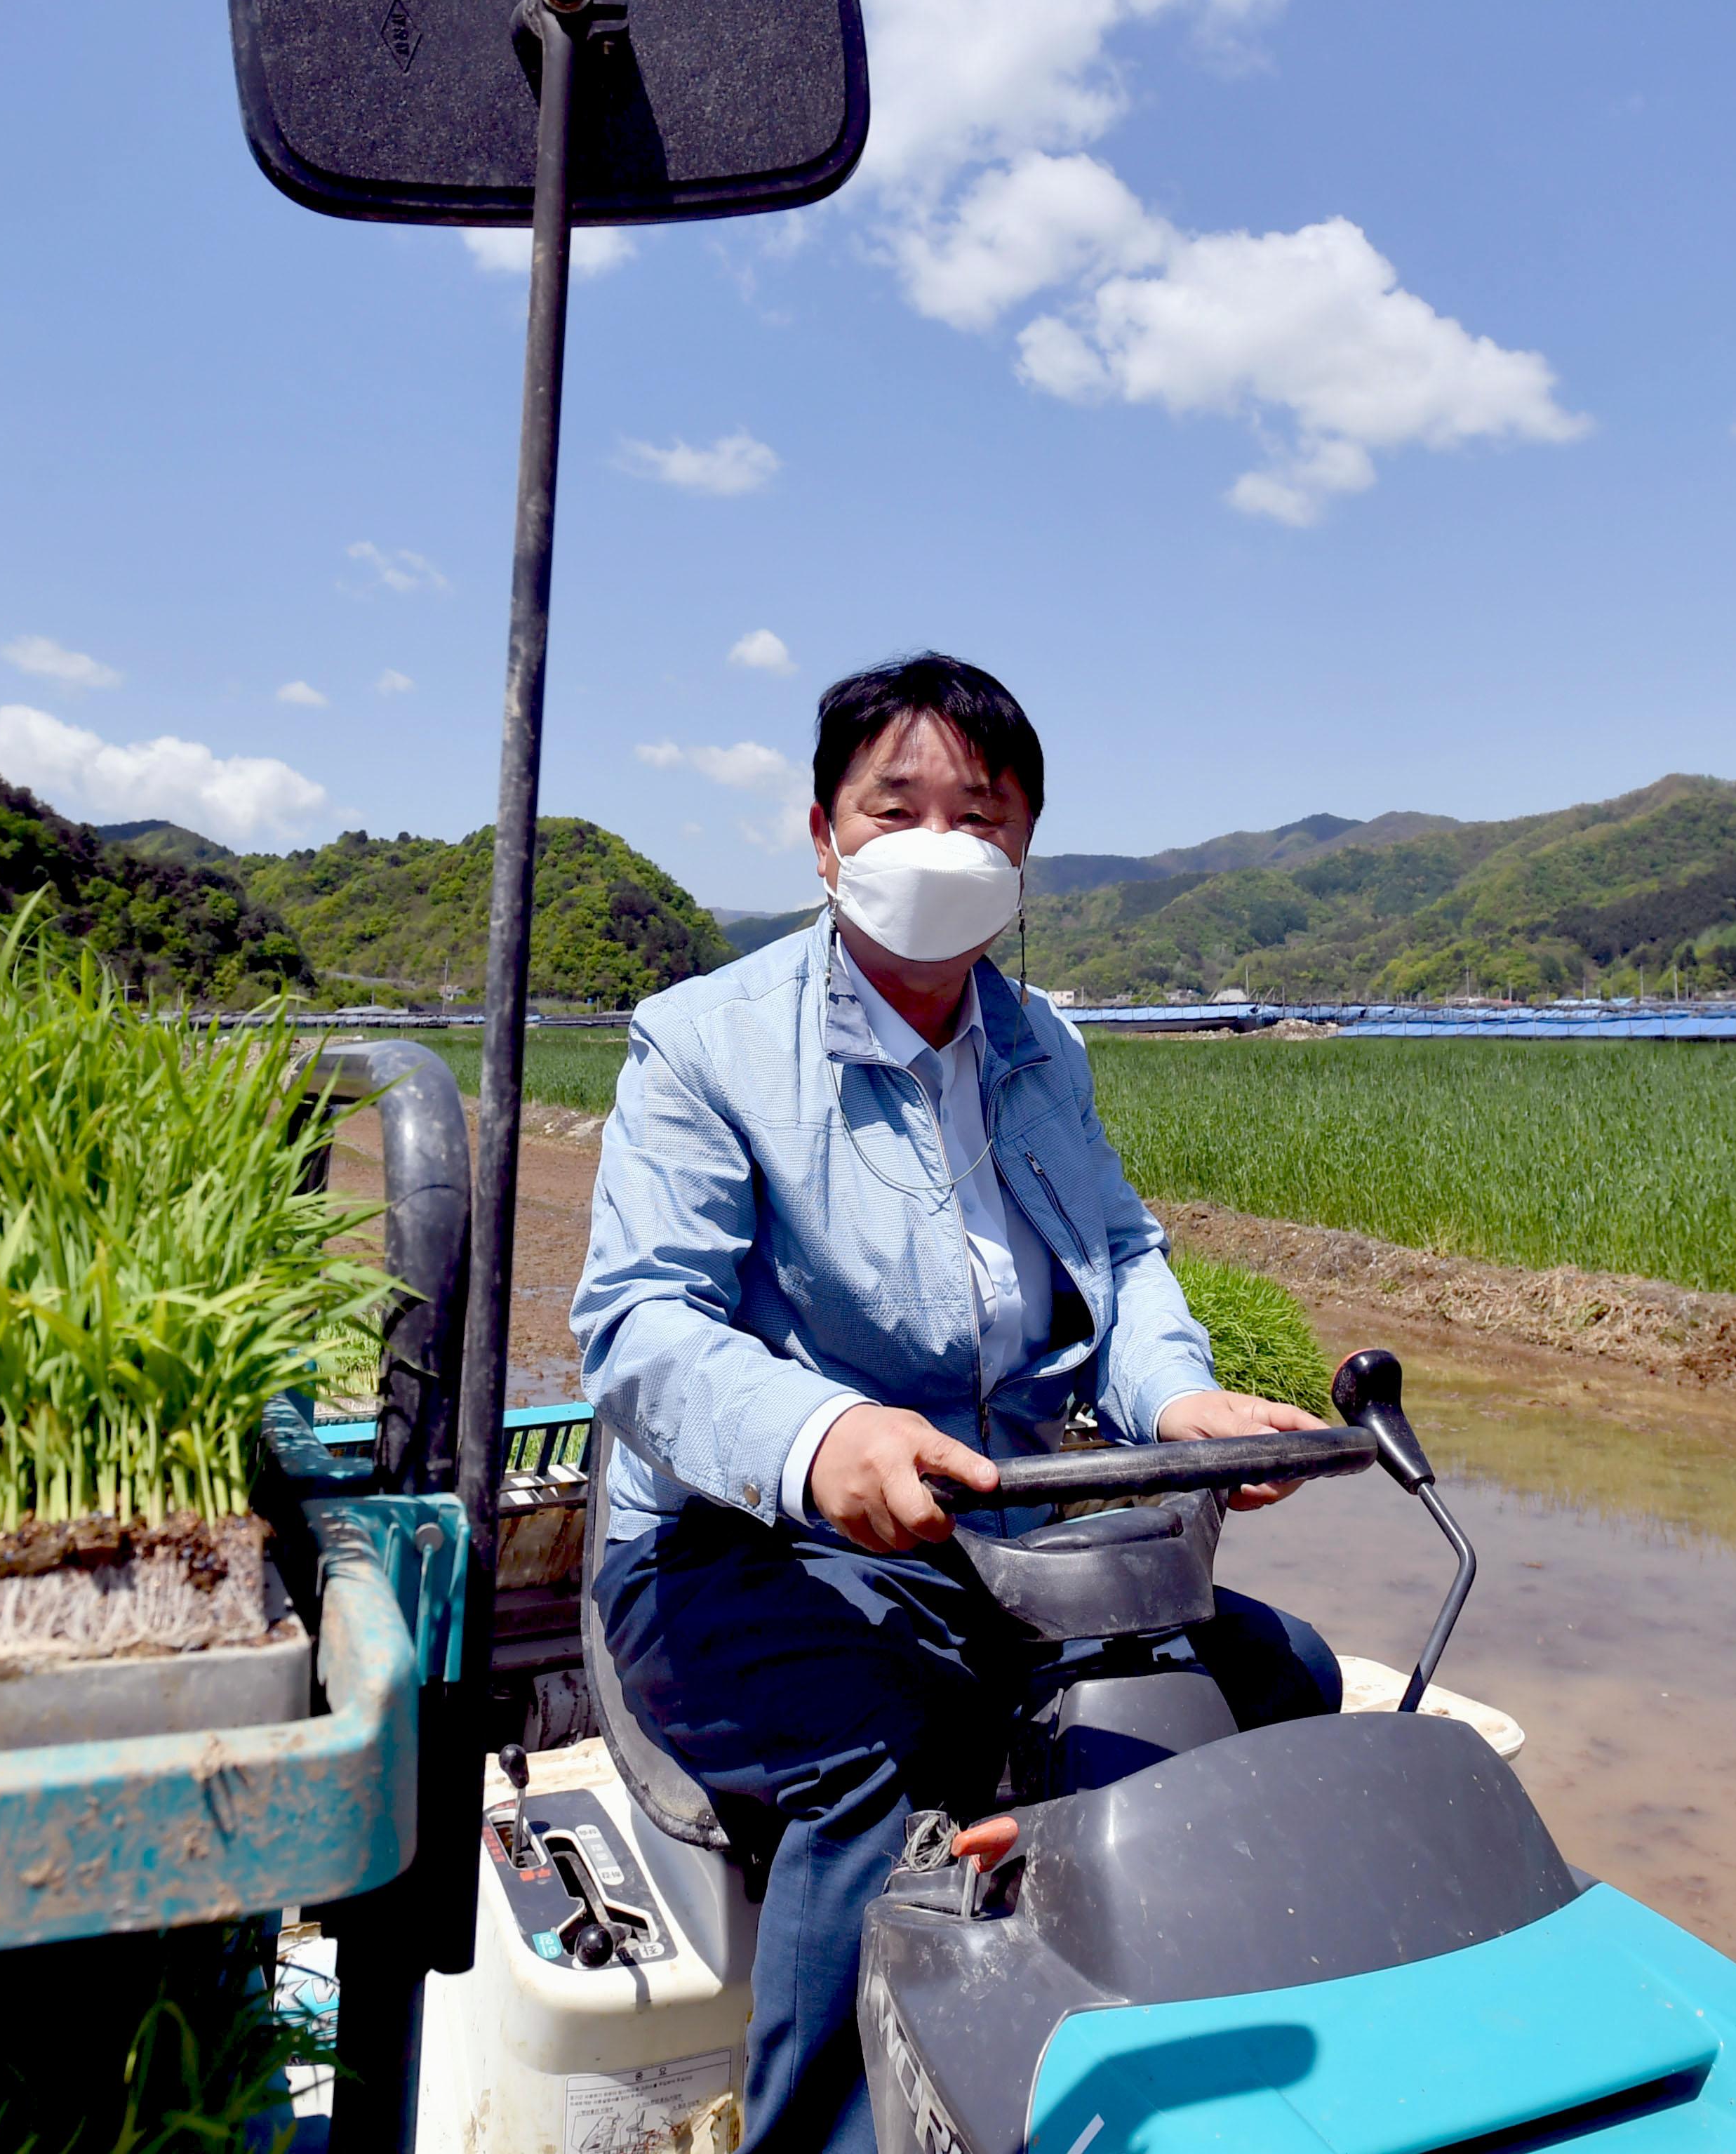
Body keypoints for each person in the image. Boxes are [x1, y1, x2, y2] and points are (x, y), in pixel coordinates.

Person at [574, 652, 1339, 2154]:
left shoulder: (1037, 1039)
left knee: (1284, 1678)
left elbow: (1116, 1254)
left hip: (988, 1537)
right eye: (895, 803)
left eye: (977, 812)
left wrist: (1174, 1398)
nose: (938, 840)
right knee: (885, 1748)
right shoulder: (705, 1041)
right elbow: (639, 1325)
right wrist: (821, 1434)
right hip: (736, 1555)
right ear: (823, 834)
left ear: (1022, 848)